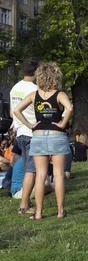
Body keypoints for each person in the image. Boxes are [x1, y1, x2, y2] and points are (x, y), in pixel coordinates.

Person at [13, 62, 73, 220]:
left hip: (38, 136)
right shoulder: (60, 94)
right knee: (59, 174)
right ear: (56, 77)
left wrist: (29, 125)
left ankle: (38, 213)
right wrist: (62, 123)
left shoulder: (34, 95)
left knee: (40, 175)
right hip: (57, 135)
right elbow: (70, 108)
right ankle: (60, 211)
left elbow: (16, 110)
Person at [10, 58, 39, 215]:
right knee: (31, 170)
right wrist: (31, 125)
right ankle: (24, 205)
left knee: (28, 167)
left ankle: (26, 202)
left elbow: (12, 112)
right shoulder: (35, 89)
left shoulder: (15, 88)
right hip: (31, 132)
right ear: (36, 72)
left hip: (20, 132)